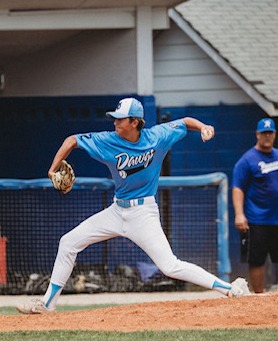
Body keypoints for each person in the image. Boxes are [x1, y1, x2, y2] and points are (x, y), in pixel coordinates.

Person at [17, 97, 250, 314]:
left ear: (135, 122)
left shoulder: (157, 136)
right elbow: (72, 141)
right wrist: (52, 168)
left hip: (143, 214)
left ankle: (230, 288)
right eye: (115, 118)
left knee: (170, 266)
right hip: (117, 212)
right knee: (68, 242)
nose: (115, 122)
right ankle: (48, 303)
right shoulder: (108, 140)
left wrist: (203, 127)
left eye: (120, 118)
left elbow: (185, 122)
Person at [232, 118, 278, 293]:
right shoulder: (247, 160)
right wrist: (239, 214)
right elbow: (238, 188)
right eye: (264, 133)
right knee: (257, 259)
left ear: (274, 134)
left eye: (270, 133)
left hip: (277, 218)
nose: (267, 136)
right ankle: (258, 297)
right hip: (257, 219)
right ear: (257, 135)